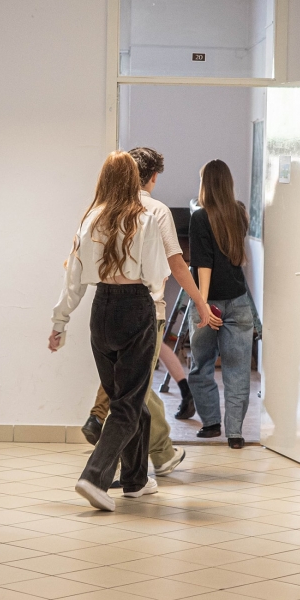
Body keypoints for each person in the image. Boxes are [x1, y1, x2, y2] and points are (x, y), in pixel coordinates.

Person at [79, 147, 219, 479]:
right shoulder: (155, 210)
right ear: (153, 177)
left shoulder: (104, 209)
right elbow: (176, 264)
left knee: (129, 391)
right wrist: (200, 303)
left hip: (105, 306)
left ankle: (137, 473)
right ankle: (139, 460)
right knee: (133, 393)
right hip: (146, 310)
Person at [50, 151, 170, 512]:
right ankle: (94, 476)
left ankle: (135, 481)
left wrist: (59, 322)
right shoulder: (144, 219)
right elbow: (156, 276)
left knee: (129, 400)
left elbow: (73, 279)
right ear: (134, 180)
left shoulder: (90, 220)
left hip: (100, 310)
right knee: (127, 404)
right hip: (134, 307)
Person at [187, 160, 254, 449]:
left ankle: (211, 424)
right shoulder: (239, 213)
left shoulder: (200, 216)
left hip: (209, 303)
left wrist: (203, 305)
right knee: (237, 370)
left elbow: (203, 263)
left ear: (205, 184)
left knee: (201, 365)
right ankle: (235, 434)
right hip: (238, 301)